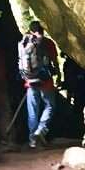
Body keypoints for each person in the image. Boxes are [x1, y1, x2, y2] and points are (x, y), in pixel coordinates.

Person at [19, 20, 58, 148]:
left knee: (32, 111)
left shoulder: (24, 43)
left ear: (30, 31)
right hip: (45, 81)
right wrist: (58, 75)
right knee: (50, 105)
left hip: (30, 82)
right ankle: (40, 131)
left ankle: (32, 140)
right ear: (43, 30)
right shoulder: (48, 43)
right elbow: (54, 62)